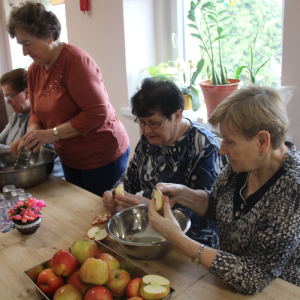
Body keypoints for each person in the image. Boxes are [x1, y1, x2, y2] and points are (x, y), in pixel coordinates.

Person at [148, 85, 300, 294]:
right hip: (224, 284)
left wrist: (178, 238)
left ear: (262, 141)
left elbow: (253, 276)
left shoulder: (293, 190)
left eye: (229, 141)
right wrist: (182, 193)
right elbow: (216, 205)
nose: (222, 149)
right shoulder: (245, 164)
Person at [7, 2, 130, 196]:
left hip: (101, 155)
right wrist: (32, 135)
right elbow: (37, 112)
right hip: (69, 156)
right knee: (80, 214)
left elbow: (98, 112)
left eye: (27, 44)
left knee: (99, 214)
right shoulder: (34, 70)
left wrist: (51, 134)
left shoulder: (75, 61)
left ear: (49, 35)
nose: (24, 52)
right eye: (21, 45)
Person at [103, 77, 223, 244]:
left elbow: (210, 213)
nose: (146, 130)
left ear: (177, 115)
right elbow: (130, 179)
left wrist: (153, 209)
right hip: (152, 230)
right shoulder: (151, 137)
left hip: (193, 241)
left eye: (154, 123)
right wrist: (114, 193)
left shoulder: (202, 144)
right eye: (142, 122)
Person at [0, 68, 30, 145]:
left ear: (26, 92)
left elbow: (25, 151)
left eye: (10, 96)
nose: (8, 101)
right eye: (6, 97)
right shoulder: (14, 117)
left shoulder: (36, 118)